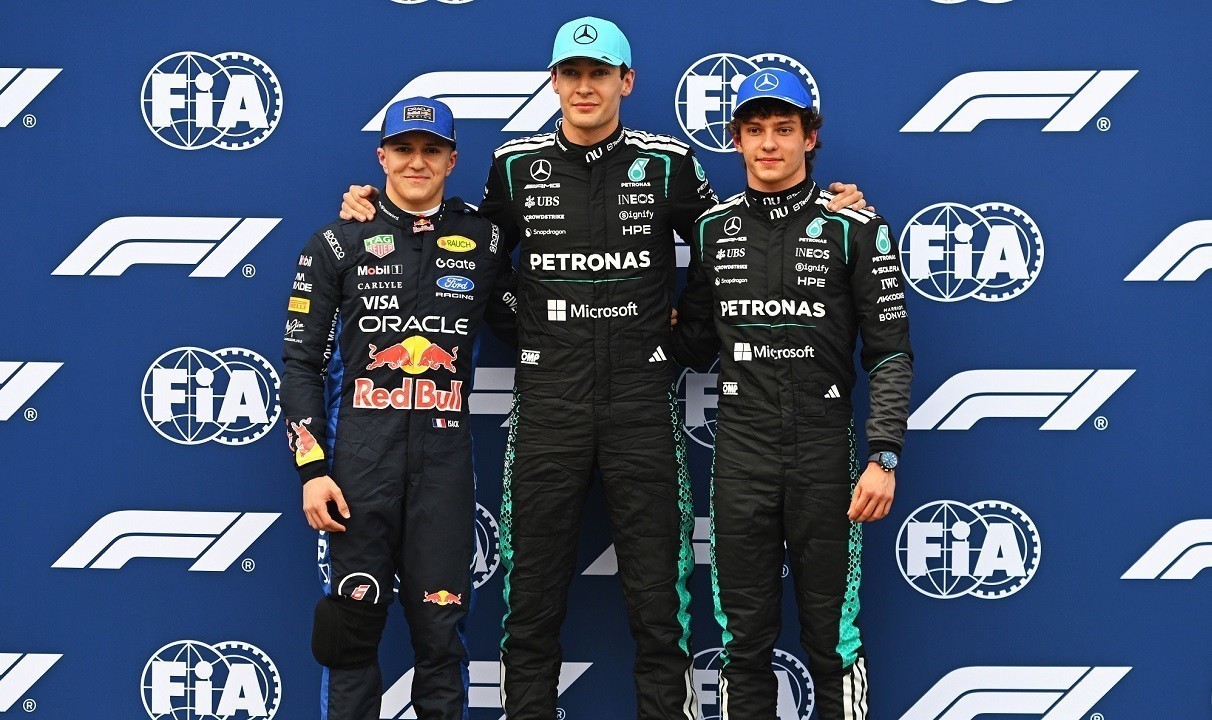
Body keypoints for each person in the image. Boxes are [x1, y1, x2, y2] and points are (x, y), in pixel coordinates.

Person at [339, 19, 868, 720]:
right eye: (571, 74)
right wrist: (380, 212)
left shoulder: (669, 162)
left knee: (659, 612)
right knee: (530, 606)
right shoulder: (517, 165)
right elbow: (472, 252)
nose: (585, 88)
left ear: (627, 82)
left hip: (643, 413)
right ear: (554, 82)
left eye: (599, 74)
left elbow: (731, 245)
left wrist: (671, 348)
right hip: (548, 410)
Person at [672, 68, 912, 720]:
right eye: (755, 130)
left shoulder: (855, 226)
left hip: (825, 455)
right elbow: (690, 339)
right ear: (737, 140)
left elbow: (890, 351)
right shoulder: (712, 230)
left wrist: (883, 453)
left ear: (811, 138)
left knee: (833, 641)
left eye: (784, 129)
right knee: (743, 643)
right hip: (741, 453)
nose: (769, 144)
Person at [281, 96, 517, 720]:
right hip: (358, 469)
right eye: (404, 149)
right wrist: (312, 470)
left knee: (441, 641)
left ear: (451, 159)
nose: (417, 162)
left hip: (443, 470)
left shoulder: (485, 237)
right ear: (381, 155)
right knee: (349, 637)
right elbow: (301, 363)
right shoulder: (337, 242)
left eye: (431, 150)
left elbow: (533, 316)